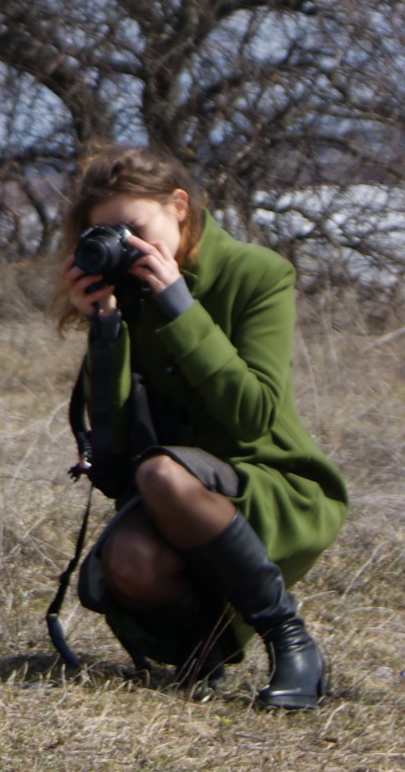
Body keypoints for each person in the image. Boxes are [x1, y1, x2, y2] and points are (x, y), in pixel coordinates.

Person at [56, 142, 347, 708]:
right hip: (170, 491)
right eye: (108, 234)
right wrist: (105, 330)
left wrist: (179, 307)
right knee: (128, 558)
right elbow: (114, 463)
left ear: (179, 205)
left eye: (135, 229)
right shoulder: (125, 294)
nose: (127, 247)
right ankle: (201, 653)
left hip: (267, 479)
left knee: (162, 474)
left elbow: (251, 415)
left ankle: (290, 639)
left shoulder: (257, 273)